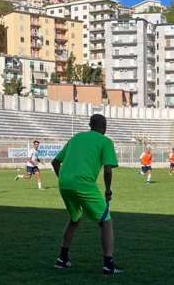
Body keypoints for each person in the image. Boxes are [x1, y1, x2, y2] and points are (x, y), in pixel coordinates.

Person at [51, 114, 122, 275]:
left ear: (90, 125)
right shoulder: (105, 141)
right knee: (106, 221)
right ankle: (108, 265)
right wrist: (108, 190)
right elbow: (108, 169)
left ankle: (62, 259)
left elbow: (55, 162)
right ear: (104, 127)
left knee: (75, 219)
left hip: (64, 183)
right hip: (83, 183)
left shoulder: (76, 137)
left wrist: (64, 179)